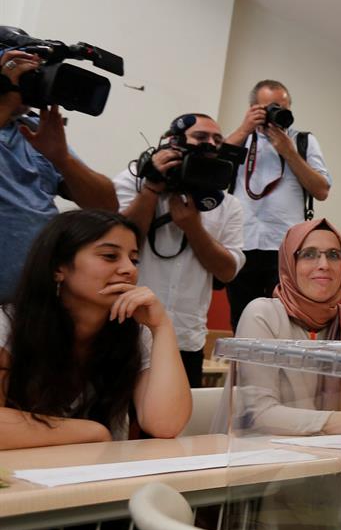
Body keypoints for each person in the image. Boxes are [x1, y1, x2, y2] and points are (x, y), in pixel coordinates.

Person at [0, 210, 191, 450]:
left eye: (134, 259)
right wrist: (92, 432)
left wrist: (162, 327)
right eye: (110, 256)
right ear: (58, 268)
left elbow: (165, 425)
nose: (128, 270)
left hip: (101, 480)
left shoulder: (137, 331)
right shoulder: (8, 323)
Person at [232, 218, 341, 435]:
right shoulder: (262, 314)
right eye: (309, 254)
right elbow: (259, 414)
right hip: (265, 453)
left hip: (334, 454)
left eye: (334, 255)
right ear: (289, 263)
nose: (324, 264)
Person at [115, 113, 245, 388]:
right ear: (173, 141)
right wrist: (151, 188)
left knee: (175, 428)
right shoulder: (133, 180)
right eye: (200, 137)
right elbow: (116, 244)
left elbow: (228, 271)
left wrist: (193, 227)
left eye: (217, 140)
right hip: (123, 332)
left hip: (185, 341)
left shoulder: (228, 205)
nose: (210, 144)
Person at [0, 49, 118, 302]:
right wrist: (5, 100)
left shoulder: (33, 129)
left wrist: (62, 159)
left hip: (29, 307)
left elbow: (106, 206)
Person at [224, 80, 331, 332]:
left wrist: (289, 153)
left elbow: (322, 190)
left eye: (282, 108)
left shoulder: (302, 141)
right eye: (268, 108)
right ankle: (243, 370)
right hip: (242, 242)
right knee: (241, 322)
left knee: (285, 322)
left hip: (285, 247)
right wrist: (243, 129)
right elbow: (213, 171)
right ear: (252, 108)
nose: (275, 114)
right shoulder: (240, 140)